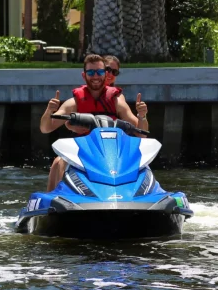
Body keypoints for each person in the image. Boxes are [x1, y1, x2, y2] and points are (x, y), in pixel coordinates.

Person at [39, 53, 149, 191]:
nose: (95, 76)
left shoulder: (116, 100)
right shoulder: (74, 102)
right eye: (91, 72)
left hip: (113, 153)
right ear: (84, 75)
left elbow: (142, 133)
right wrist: (49, 111)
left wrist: (142, 116)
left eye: (100, 72)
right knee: (59, 161)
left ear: (105, 74)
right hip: (83, 153)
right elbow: (45, 128)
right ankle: (56, 200)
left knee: (139, 161)